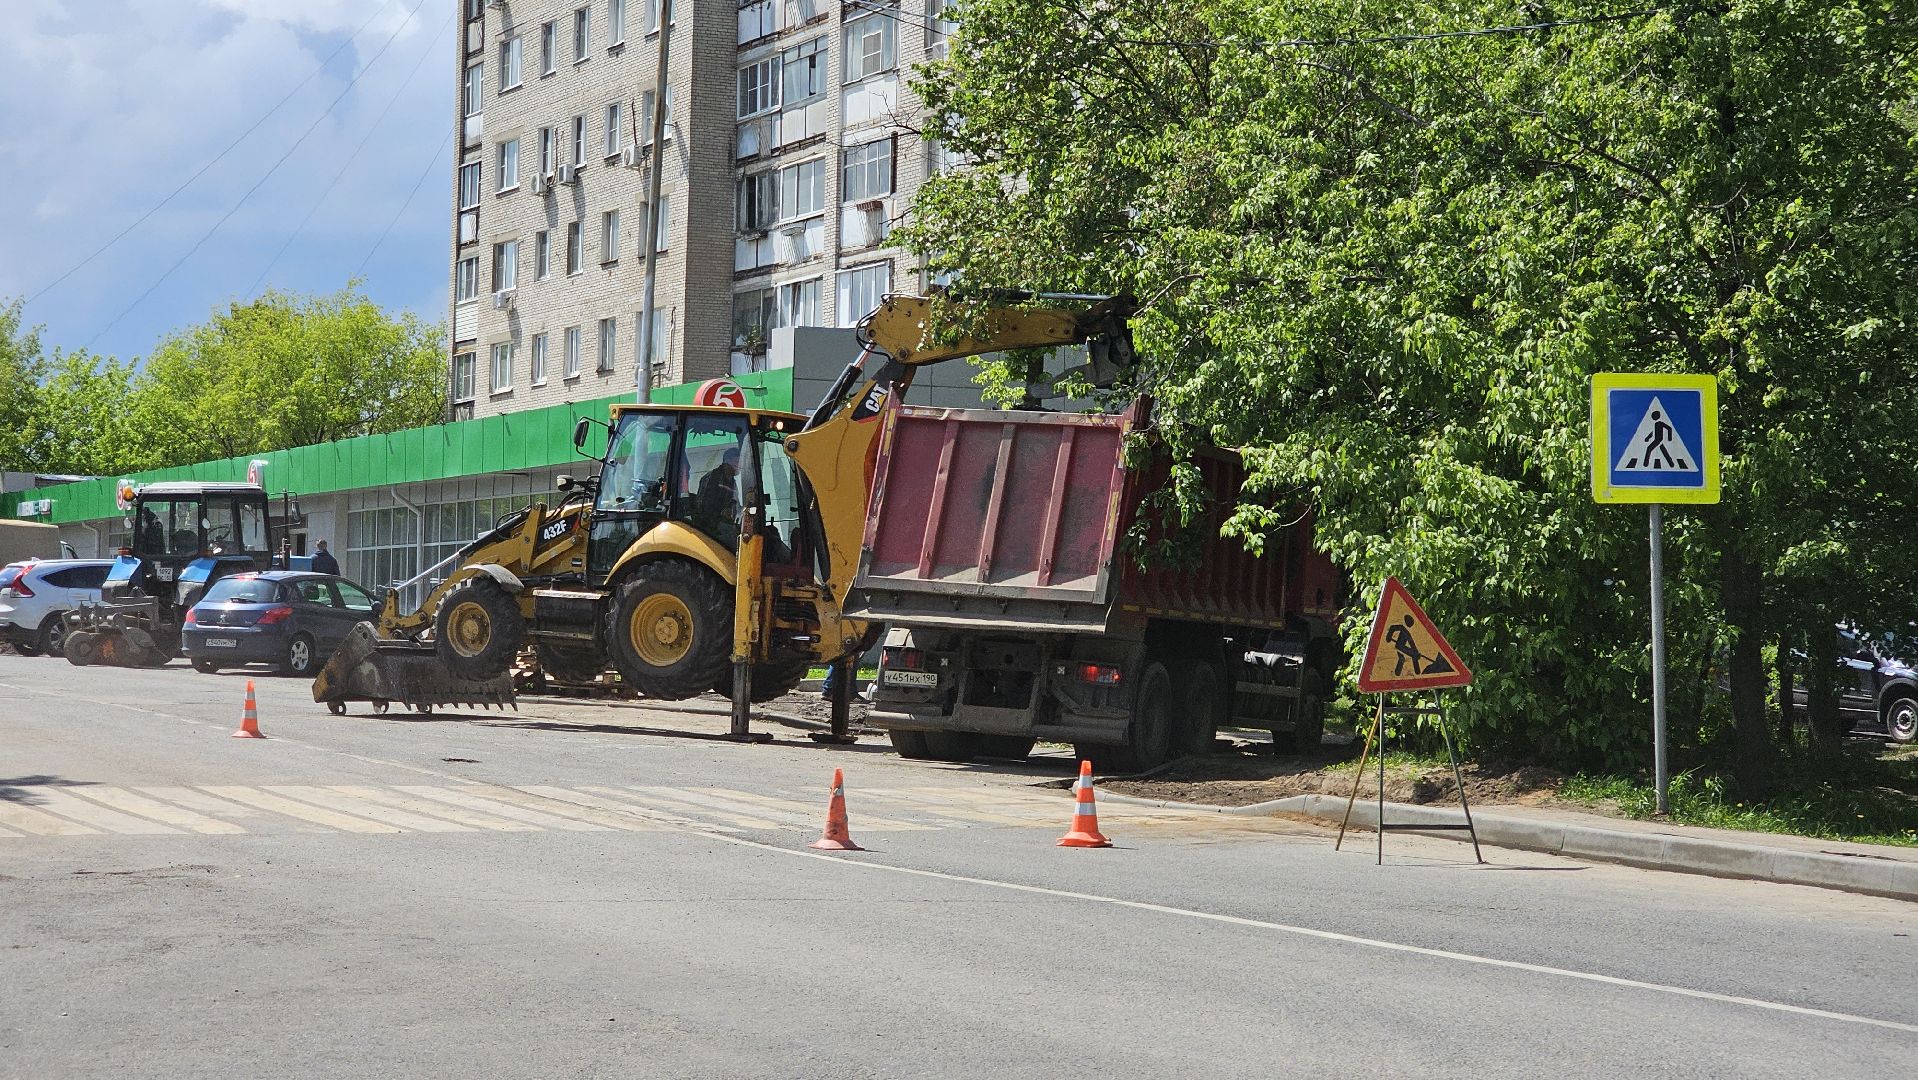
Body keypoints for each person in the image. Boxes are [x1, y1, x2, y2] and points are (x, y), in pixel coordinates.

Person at [691, 447, 742, 544]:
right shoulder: (712, 478)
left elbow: (735, 505)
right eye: (738, 461)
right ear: (729, 460)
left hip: (724, 524)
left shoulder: (732, 482)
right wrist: (722, 513)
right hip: (709, 528)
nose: (739, 465)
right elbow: (704, 507)